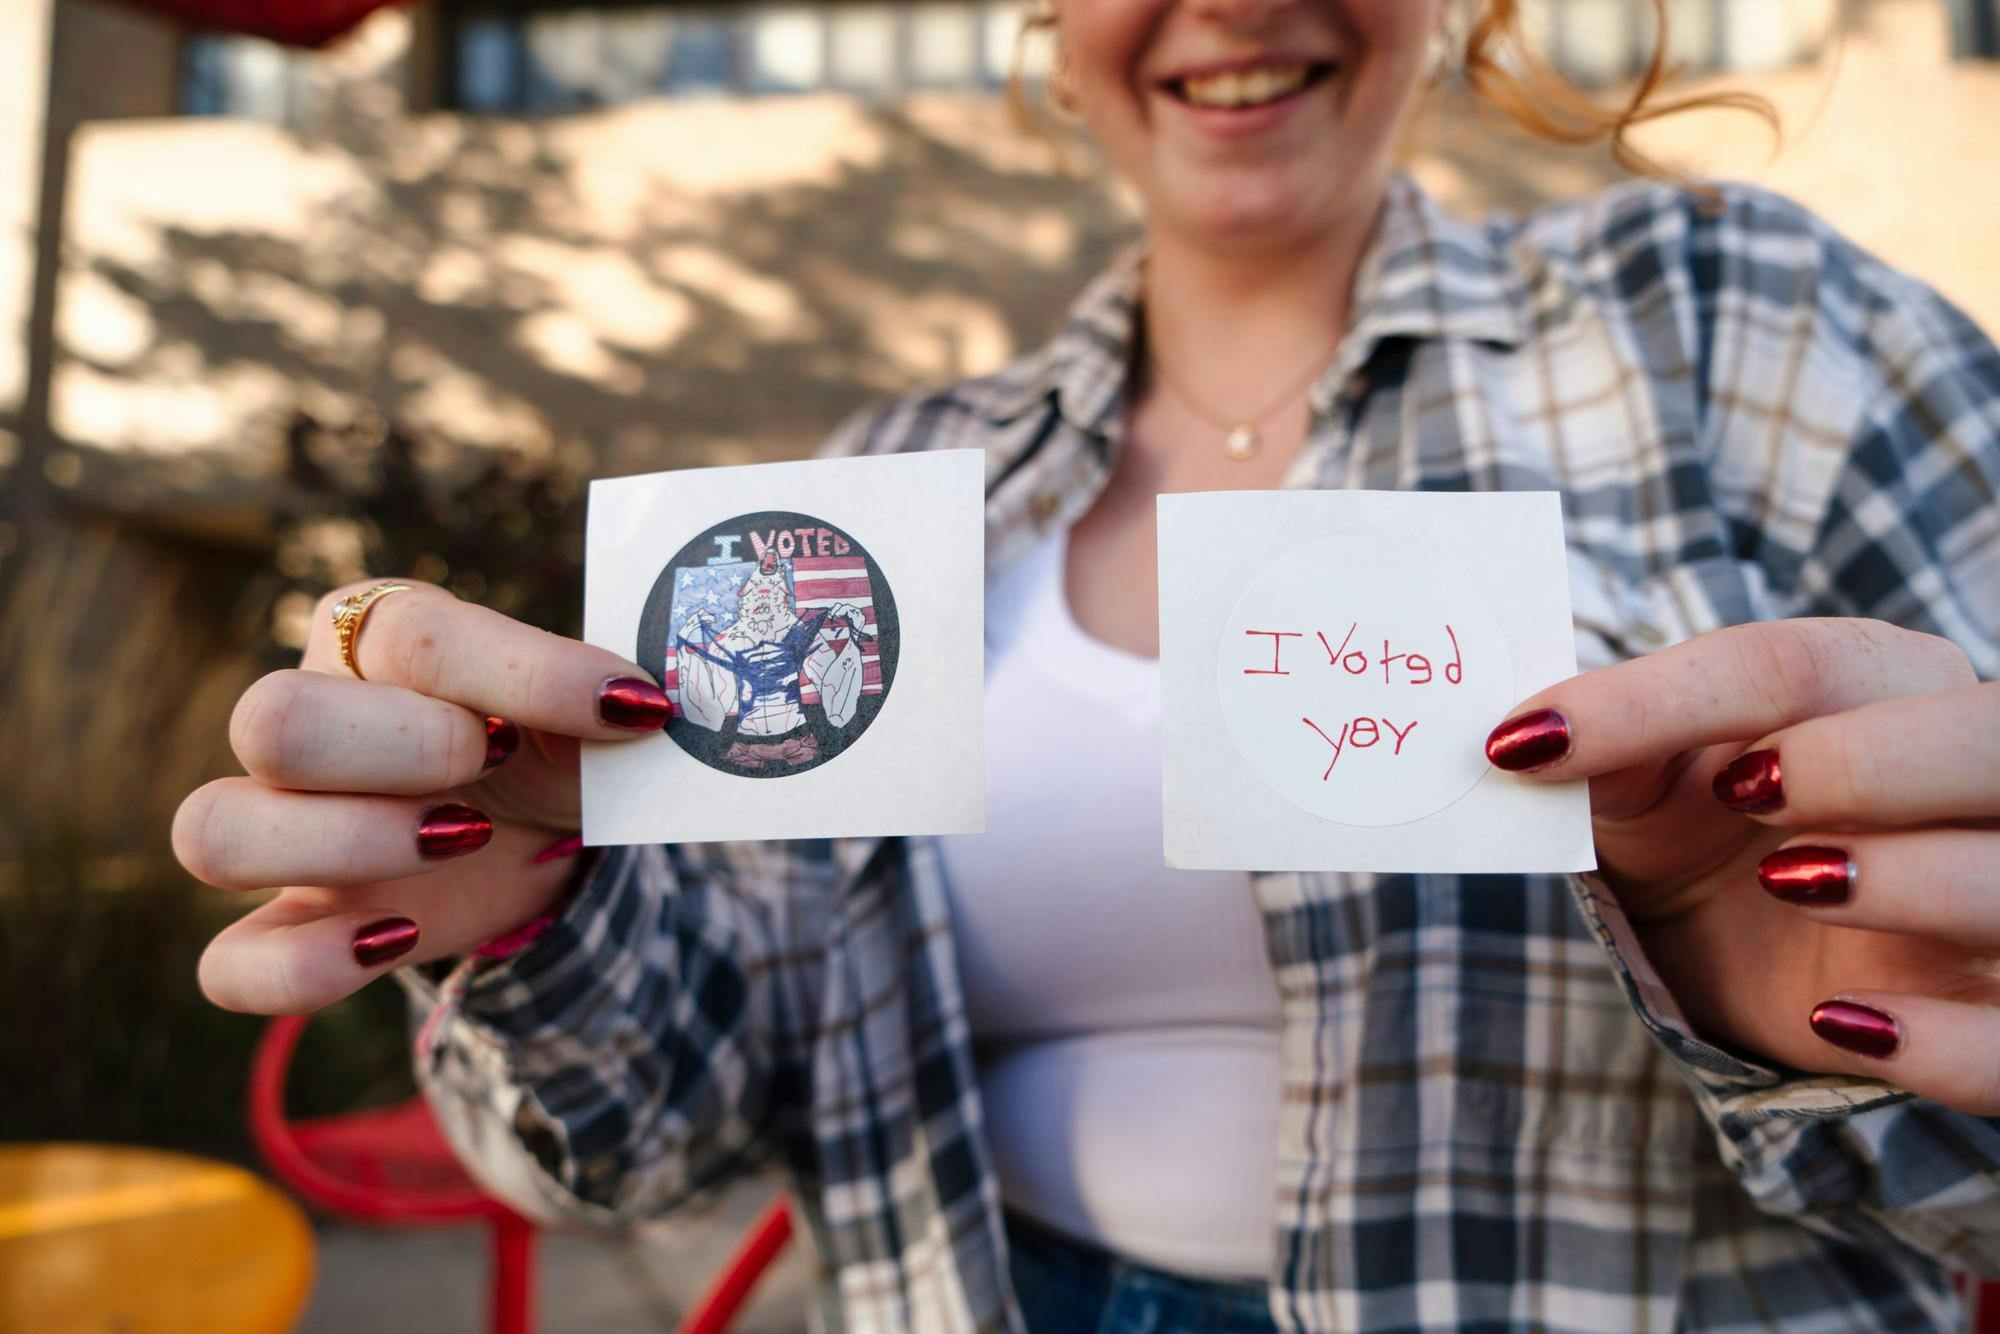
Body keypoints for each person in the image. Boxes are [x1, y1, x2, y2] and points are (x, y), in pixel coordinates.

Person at [176, 0, 2000, 1328]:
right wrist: (533, 910)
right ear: (1056, 26)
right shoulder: (886, 487)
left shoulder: (1733, 322)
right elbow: (655, 1131)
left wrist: (1821, 994)